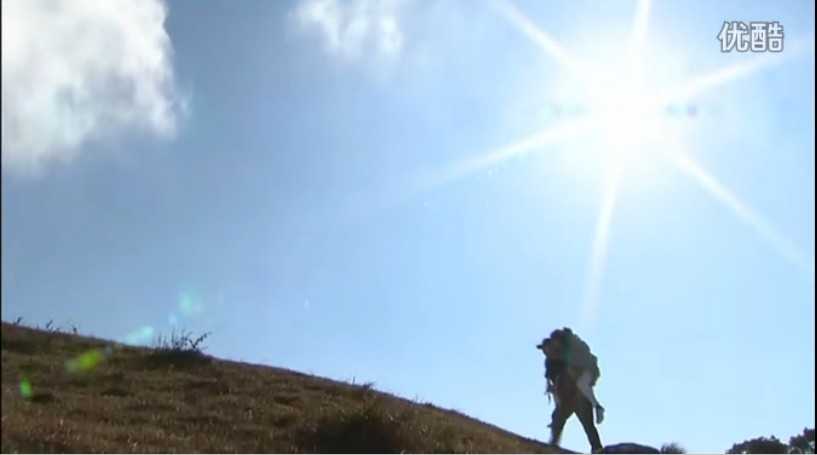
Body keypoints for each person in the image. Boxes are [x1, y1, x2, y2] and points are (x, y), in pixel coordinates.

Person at [548, 328, 606, 424]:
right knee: (560, 389)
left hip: (590, 369)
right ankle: (557, 416)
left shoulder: (574, 344)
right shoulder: (562, 351)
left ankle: (597, 407)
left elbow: (587, 356)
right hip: (578, 374)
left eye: (556, 342)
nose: (555, 345)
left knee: (581, 384)